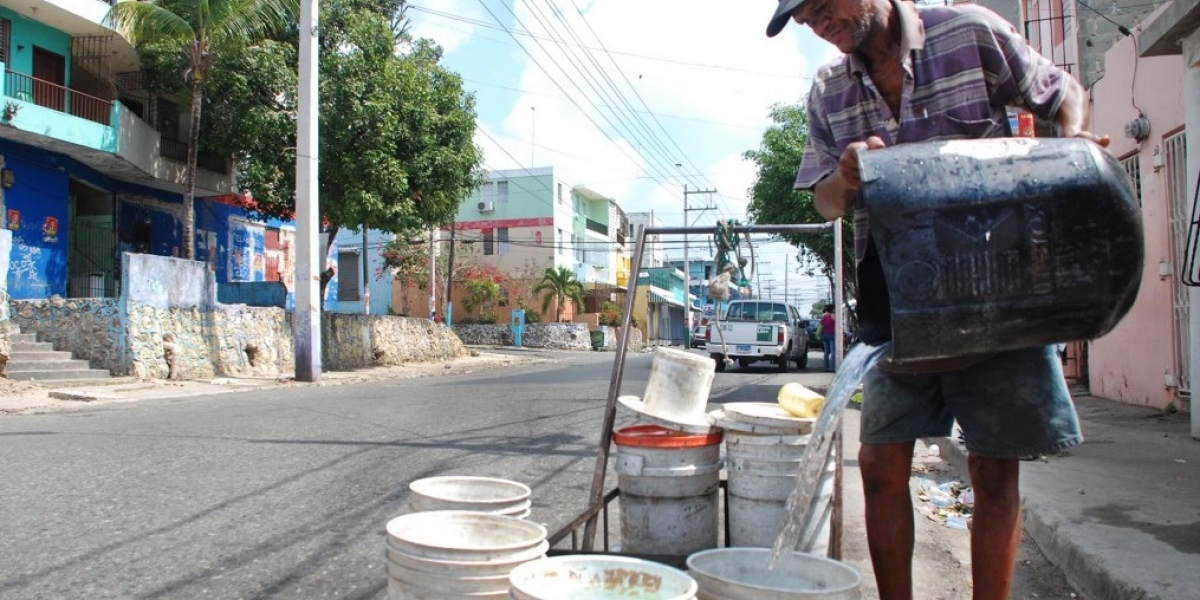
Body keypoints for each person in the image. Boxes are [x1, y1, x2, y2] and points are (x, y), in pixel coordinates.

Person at [765, 1, 1109, 598]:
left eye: (822, 5)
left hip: (993, 291)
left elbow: (1062, 95)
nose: (816, 22)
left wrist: (1066, 156)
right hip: (900, 299)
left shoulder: (969, 32)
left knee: (995, 467)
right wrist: (844, 180)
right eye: (804, 19)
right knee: (878, 464)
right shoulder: (827, 89)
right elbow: (823, 203)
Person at [819, 304, 836, 371]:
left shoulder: (823, 316)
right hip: (832, 334)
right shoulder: (833, 315)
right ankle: (832, 367)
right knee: (833, 351)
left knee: (826, 351)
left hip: (825, 335)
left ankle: (826, 367)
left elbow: (821, 325)